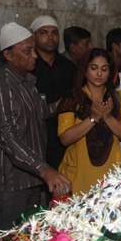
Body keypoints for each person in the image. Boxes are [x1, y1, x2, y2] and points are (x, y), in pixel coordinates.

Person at [0, 22, 70, 231]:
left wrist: (61, 105)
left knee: (27, 236)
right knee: (6, 239)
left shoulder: (26, 80)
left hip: (31, 176)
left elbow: (39, 113)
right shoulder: (1, 87)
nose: (35, 56)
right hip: (10, 182)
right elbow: (8, 136)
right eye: (28, 51)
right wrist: (44, 169)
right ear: (8, 55)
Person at [58, 48, 121, 194]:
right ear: (85, 70)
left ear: (110, 72)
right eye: (94, 68)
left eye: (104, 69)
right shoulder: (73, 97)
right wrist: (93, 118)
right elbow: (65, 138)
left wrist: (107, 117)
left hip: (110, 175)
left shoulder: (118, 98)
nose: (99, 74)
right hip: (77, 175)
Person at [30, 16, 75, 170]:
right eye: (44, 32)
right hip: (35, 136)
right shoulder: (29, 66)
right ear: (34, 36)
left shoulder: (68, 66)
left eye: (54, 33)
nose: (50, 37)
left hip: (63, 136)